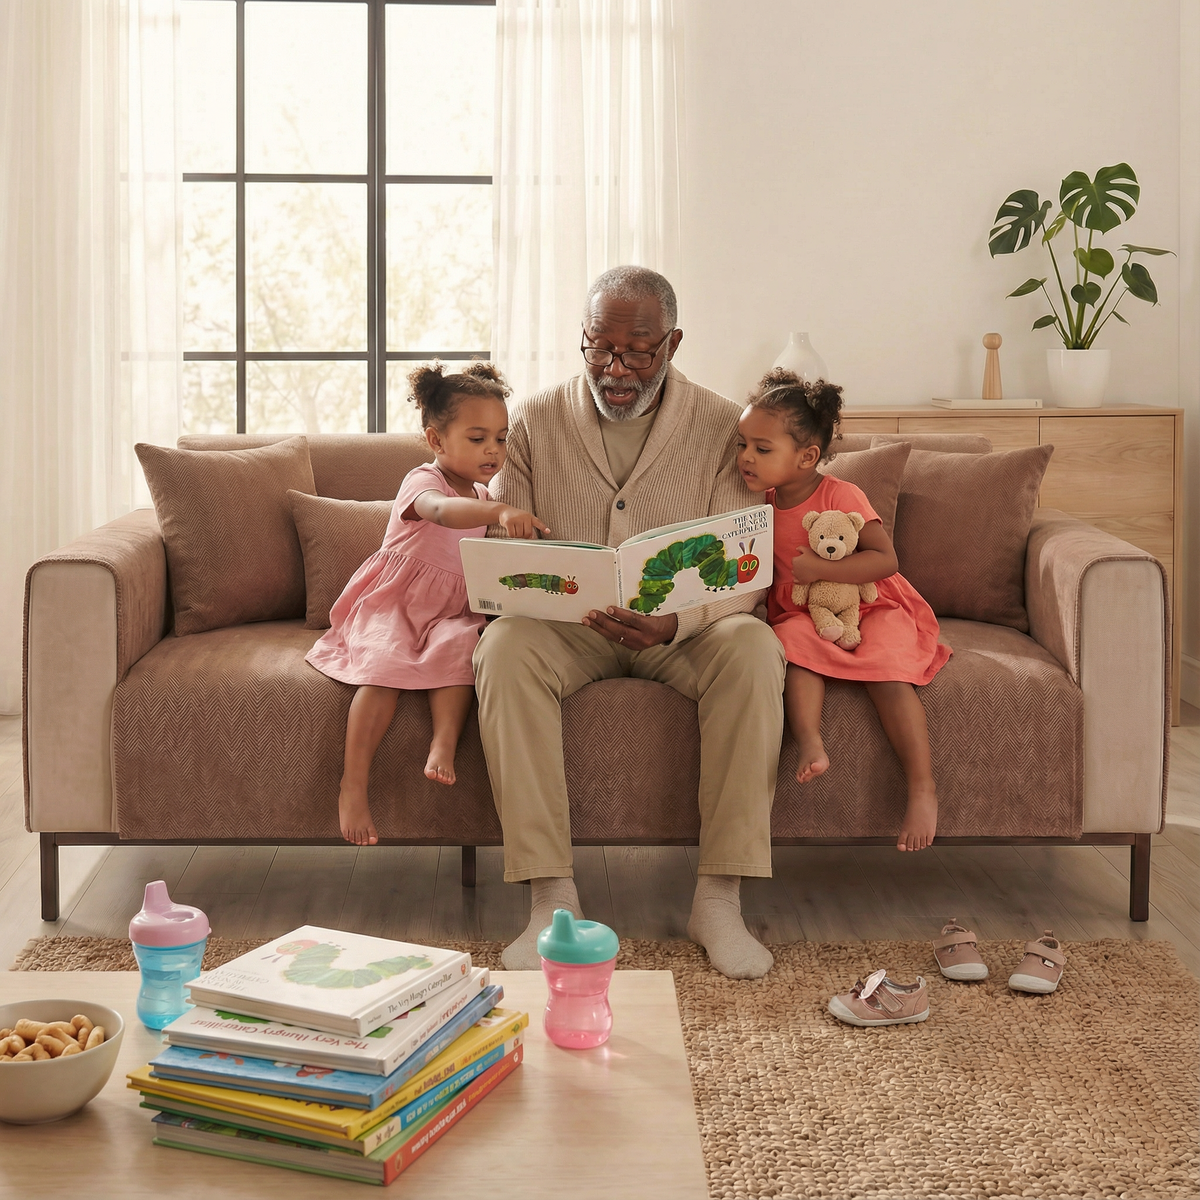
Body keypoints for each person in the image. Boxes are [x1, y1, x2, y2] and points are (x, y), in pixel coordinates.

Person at [475, 266, 786, 978]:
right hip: (568, 628)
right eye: (599, 347)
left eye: (638, 352)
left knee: (753, 645)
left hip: (684, 632)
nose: (615, 368)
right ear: (579, 339)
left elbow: (745, 563)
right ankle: (551, 900)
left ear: (673, 343)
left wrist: (677, 623)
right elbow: (502, 547)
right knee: (503, 648)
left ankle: (719, 900)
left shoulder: (721, 426)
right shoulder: (531, 421)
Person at [306, 362, 547, 847]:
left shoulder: (480, 490)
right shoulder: (423, 482)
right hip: (397, 603)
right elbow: (441, 513)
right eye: (478, 439)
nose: (493, 451)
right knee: (383, 671)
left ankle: (443, 742)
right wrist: (498, 510)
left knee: (464, 650)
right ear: (437, 441)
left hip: (451, 608)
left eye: (500, 439)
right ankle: (352, 785)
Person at [736, 368, 951, 851]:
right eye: (742, 444)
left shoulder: (841, 495)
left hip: (872, 605)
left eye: (762, 449)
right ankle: (811, 743)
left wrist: (818, 568)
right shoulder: (758, 505)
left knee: (887, 673)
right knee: (790, 649)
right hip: (804, 613)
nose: (746, 457)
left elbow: (885, 559)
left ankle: (922, 787)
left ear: (807, 456)